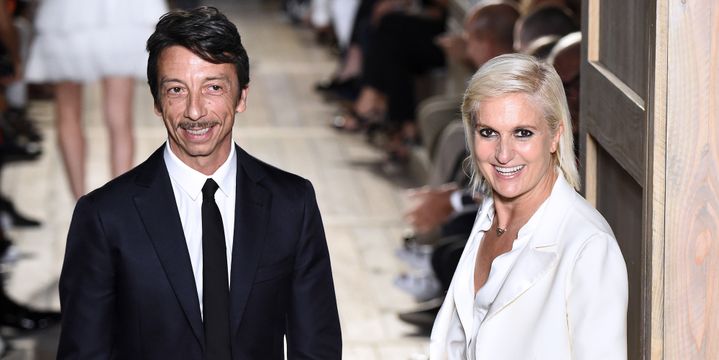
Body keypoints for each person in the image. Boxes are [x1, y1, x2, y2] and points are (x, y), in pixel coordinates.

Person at [57, 7, 342, 359]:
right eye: (177, 89)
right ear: (158, 102)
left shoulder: (291, 204)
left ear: (242, 97)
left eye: (213, 87)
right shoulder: (104, 217)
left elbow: (317, 348)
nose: (195, 111)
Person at [429, 53, 627, 358]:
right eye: (488, 133)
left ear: (555, 135)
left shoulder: (589, 247)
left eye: (523, 133)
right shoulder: (488, 216)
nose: (503, 154)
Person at [25, 0, 167, 199]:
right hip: (121, 14)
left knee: (68, 113)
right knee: (120, 117)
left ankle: (81, 208)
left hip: (68, 13)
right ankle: (119, 207)